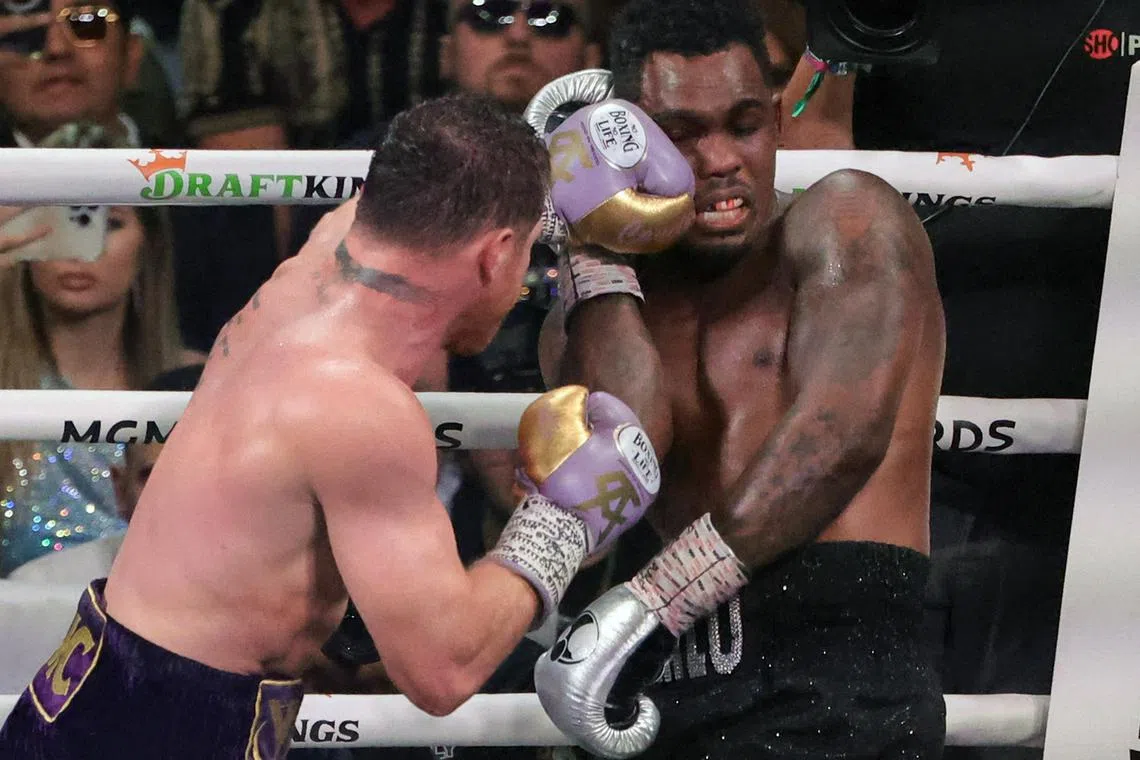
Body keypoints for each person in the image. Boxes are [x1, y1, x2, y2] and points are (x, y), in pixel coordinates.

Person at [0, 93, 662, 759]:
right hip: (166, 730)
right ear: (495, 258)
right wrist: (563, 518)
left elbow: (442, 184)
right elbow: (443, 670)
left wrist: (550, 199)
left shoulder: (320, 262)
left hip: (96, 699)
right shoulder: (360, 411)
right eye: (523, 259)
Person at [530, 0, 947, 757]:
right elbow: (625, 462)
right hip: (675, 699)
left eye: (746, 124)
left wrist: (657, 602)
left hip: (841, 704)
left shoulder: (847, 223)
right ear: (630, 142)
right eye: (682, 135)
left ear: (778, 124)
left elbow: (840, 436)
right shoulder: (600, 311)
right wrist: (595, 239)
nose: (722, 158)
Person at [0, 196, 202, 578]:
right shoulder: (5, 396)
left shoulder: (204, 384)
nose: (78, 252)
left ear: (148, 244)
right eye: (58, 224)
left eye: (109, 225)